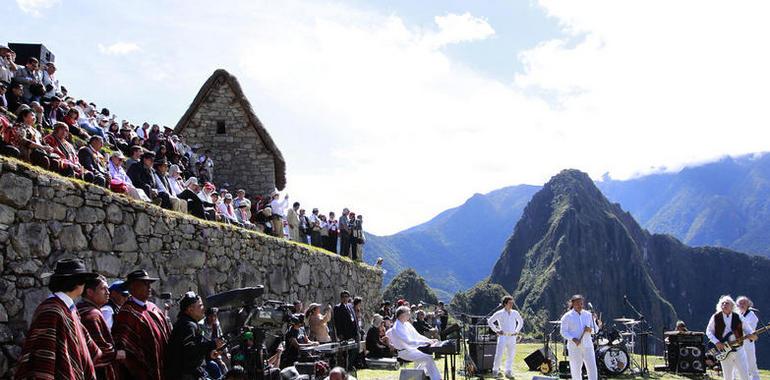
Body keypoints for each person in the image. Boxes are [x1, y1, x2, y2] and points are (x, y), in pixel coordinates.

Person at [14, 259, 103, 380]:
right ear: (77, 283)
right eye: (83, 281)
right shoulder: (52, 311)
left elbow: (82, 343)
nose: (84, 285)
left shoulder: (69, 308)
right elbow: (44, 354)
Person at [112, 269, 172, 380]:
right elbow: (124, 346)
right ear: (131, 287)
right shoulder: (127, 313)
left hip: (161, 365)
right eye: (144, 284)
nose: (149, 287)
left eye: (149, 284)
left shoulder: (154, 308)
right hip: (141, 372)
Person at [165, 291, 225, 380]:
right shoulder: (187, 326)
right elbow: (191, 352)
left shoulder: (188, 323)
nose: (203, 309)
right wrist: (213, 344)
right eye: (200, 306)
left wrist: (209, 354)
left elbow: (193, 352)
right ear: (190, 309)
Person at [77, 275, 125, 380]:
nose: (108, 292)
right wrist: (117, 354)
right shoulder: (92, 315)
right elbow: (100, 350)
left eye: (108, 289)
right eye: (103, 289)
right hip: (98, 373)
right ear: (90, 292)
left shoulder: (79, 309)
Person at [385, 306, 442, 380]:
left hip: (411, 350)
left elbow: (417, 336)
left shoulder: (407, 324)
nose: (410, 315)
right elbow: (409, 342)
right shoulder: (397, 327)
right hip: (404, 353)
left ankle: (422, 377)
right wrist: (426, 342)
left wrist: (429, 340)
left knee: (425, 360)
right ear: (402, 315)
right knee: (428, 358)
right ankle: (436, 378)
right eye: (408, 313)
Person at [707, 295, 756, 380]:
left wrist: (752, 335)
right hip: (723, 351)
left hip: (739, 350)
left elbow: (748, 329)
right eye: (723, 303)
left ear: (732, 306)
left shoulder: (738, 316)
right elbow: (709, 331)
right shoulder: (716, 317)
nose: (724, 305)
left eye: (727, 303)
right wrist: (717, 342)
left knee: (745, 375)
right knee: (728, 376)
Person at [560, 294, 598, 380]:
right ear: (572, 304)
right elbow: (563, 332)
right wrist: (573, 339)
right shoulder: (567, 316)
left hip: (588, 346)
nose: (580, 305)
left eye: (581, 303)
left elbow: (596, 329)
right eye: (577, 303)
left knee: (592, 368)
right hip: (574, 347)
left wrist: (590, 330)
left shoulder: (588, 315)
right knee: (576, 369)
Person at [487, 295, 524, 378]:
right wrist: (496, 330)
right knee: (499, 354)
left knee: (511, 354)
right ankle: (495, 371)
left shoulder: (515, 312)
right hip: (503, 336)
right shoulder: (499, 313)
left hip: (512, 337)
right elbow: (490, 321)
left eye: (512, 303)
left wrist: (516, 331)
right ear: (505, 304)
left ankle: (508, 371)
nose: (512, 304)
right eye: (510, 303)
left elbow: (520, 322)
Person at [736, 296, 760, 380]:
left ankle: (755, 378)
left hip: (747, 342)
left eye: (744, 303)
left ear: (748, 305)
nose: (742, 305)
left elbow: (748, 329)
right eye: (740, 303)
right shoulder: (737, 314)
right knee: (736, 363)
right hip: (737, 343)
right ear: (737, 305)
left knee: (751, 363)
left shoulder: (752, 315)